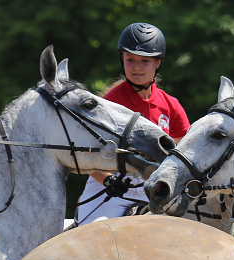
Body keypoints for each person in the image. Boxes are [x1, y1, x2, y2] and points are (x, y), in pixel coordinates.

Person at [76, 22, 190, 225]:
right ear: (122, 60)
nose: (137, 66)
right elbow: (85, 156)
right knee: (95, 233)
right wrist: (107, 179)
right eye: (130, 59)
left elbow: (184, 154)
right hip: (111, 186)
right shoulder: (108, 104)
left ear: (158, 63)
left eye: (145, 61)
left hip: (157, 187)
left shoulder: (171, 105)